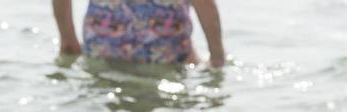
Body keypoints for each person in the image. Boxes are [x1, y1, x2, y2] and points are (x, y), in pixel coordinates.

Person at [52, 0, 225, 67]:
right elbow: (205, 4)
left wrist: (67, 37)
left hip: (105, 45)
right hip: (164, 52)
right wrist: (217, 56)